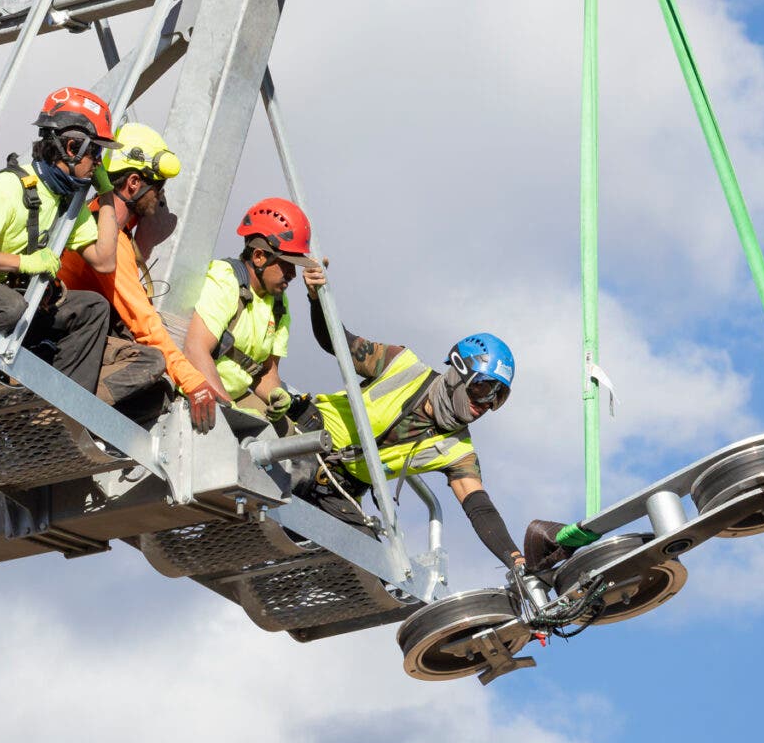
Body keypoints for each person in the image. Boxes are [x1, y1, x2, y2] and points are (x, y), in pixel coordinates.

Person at [307, 318, 557, 577]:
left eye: (498, 397)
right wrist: (316, 297)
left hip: (338, 491)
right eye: (483, 388)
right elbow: (335, 340)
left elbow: (481, 508)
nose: (486, 403)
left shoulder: (457, 450)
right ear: (459, 373)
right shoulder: (399, 365)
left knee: (370, 571)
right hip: (304, 442)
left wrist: (516, 561)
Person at [0, 85, 123, 395]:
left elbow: (104, 259)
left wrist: (107, 192)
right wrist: (24, 263)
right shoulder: (7, 188)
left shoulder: (65, 203)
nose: (98, 162)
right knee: (12, 307)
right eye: (95, 152)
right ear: (72, 147)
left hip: (0, 296)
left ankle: (63, 403)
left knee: (93, 308)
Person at [57, 123, 231, 429]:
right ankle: (61, 413)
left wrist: (145, 243)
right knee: (149, 361)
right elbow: (145, 325)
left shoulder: (104, 225)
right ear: (134, 182)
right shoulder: (108, 239)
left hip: (72, 341)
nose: (161, 199)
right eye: (159, 188)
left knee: (157, 396)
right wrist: (194, 382)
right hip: (62, 344)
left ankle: (86, 426)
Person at [180, 197, 327, 426]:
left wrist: (276, 394)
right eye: (286, 263)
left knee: (289, 439)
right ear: (259, 256)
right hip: (201, 390)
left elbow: (266, 371)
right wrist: (229, 411)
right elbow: (195, 349)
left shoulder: (279, 304)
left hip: (235, 396)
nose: (292, 274)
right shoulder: (225, 280)